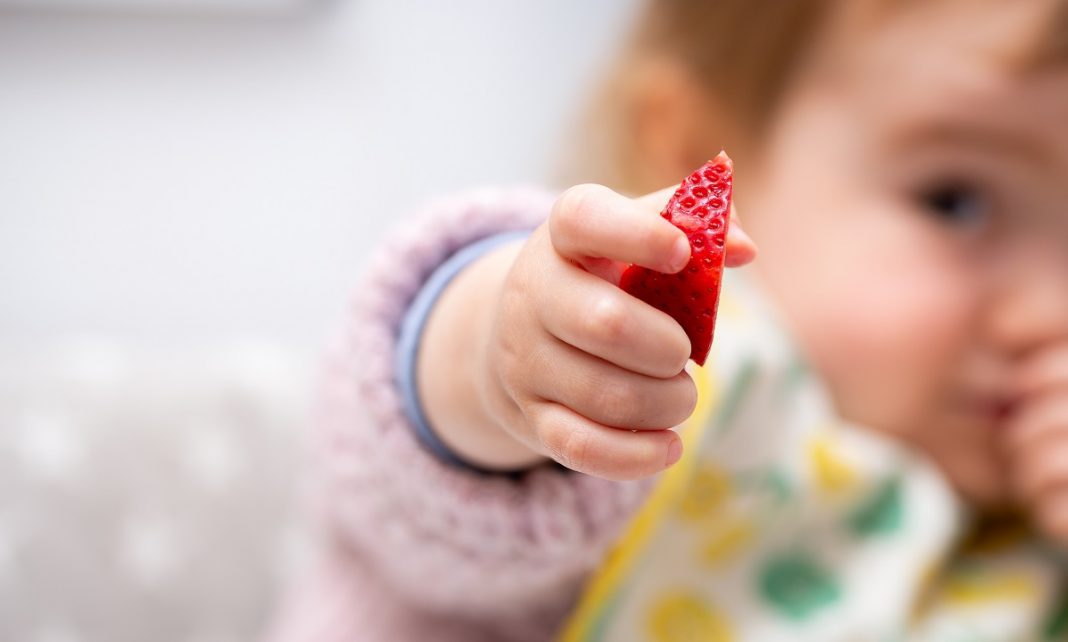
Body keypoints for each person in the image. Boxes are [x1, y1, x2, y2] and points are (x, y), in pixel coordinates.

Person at [267, 0, 1068, 640]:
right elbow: (403, 491)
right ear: (698, 147)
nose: (1051, 307)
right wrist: (500, 363)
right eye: (956, 202)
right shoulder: (667, 384)